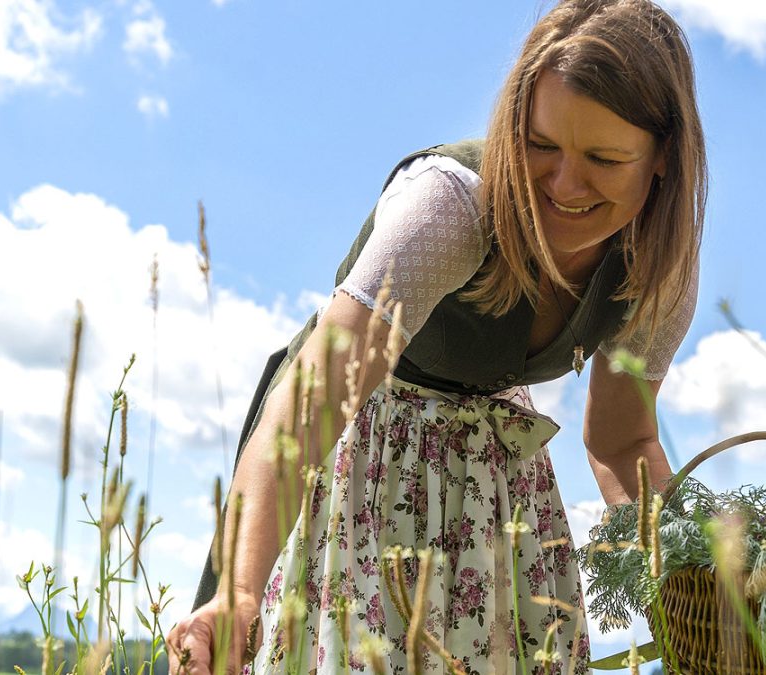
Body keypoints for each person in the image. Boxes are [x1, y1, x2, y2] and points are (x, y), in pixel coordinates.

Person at [170, 0, 705, 672]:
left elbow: (623, 439)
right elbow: (312, 405)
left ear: (662, 158)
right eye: (541, 145)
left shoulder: (656, 271)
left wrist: (696, 576)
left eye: (603, 158)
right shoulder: (450, 206)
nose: (565, 185)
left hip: (493, 488)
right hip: (369, 457)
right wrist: (240, 590)